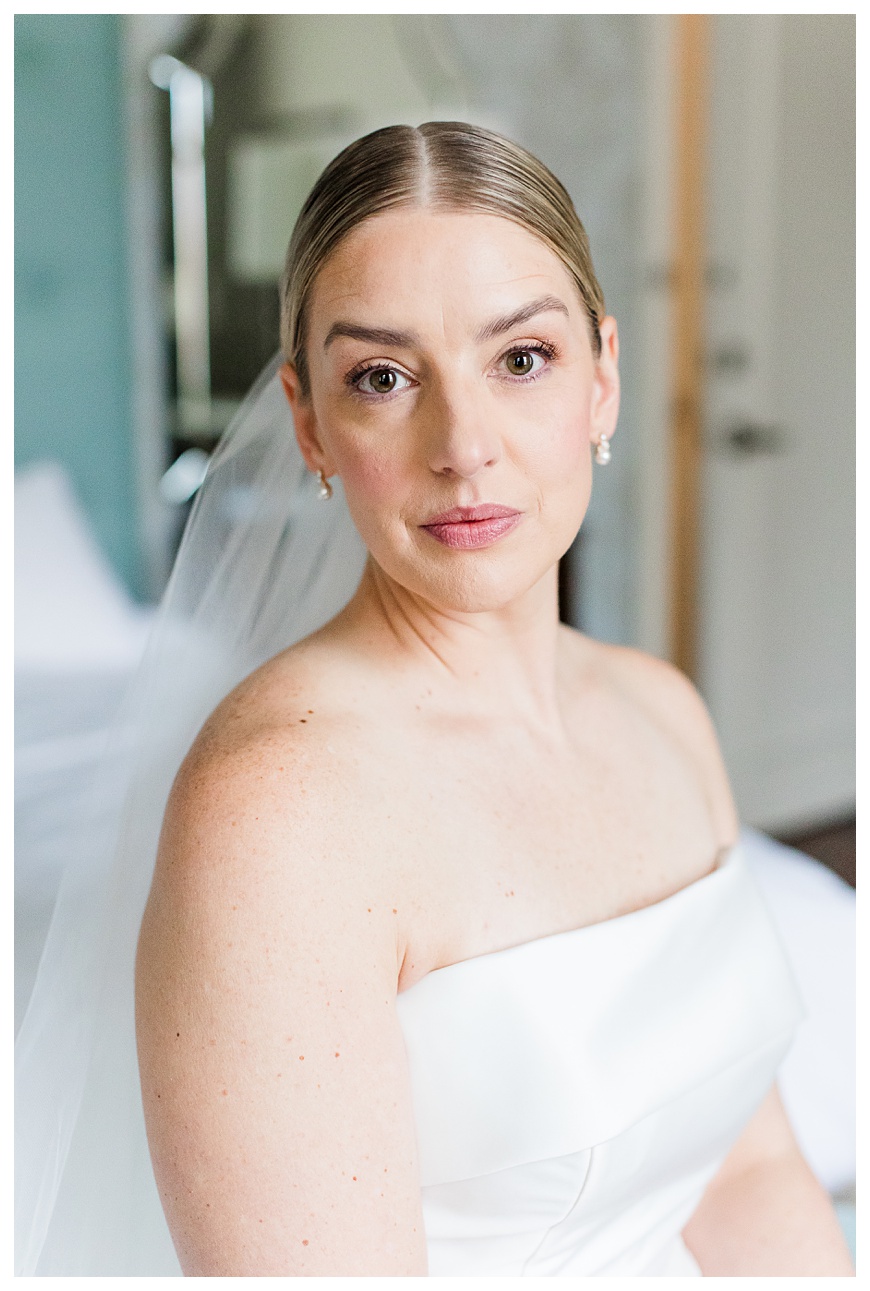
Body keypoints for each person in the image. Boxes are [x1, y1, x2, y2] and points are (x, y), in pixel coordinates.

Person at [19, 122, 853, 1277]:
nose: (464, 446)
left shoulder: (663, 711)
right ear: (309, 419)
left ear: (602, 378)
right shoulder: (277, 812)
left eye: (521, 359)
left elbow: (754, 1177)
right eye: (383, 377)